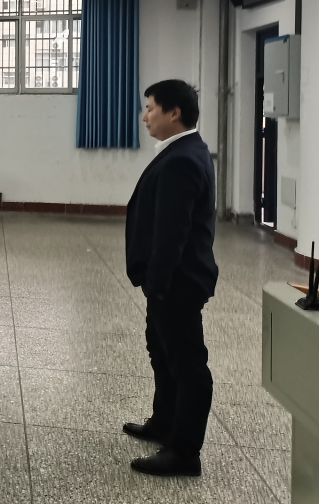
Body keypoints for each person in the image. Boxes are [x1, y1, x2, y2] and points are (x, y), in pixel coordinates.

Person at [124, 80, 217, 478]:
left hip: (176, 283)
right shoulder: (184, 150)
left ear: (174, 112)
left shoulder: (182, 159)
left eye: (150, 108)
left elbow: (171, 233)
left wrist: (158, 285)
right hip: (169, 282)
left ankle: (184, 452)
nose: (145, 116)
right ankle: (164, 421)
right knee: (162, 354)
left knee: (187, 365)